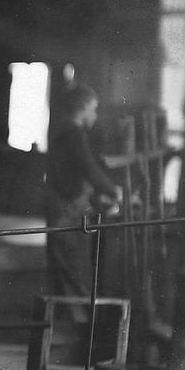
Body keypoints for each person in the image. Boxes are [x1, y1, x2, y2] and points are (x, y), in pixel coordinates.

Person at [43, 84, 123, 301]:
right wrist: (113, 190)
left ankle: (63, 324)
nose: (95, 114)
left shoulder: (62, 130)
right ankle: (79, 326)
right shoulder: (73, 133)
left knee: (63, 269)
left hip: (60, 207)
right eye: (94, 109)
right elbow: (88, 167)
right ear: (84, 107)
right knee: (75, 270)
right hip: (68, 210)